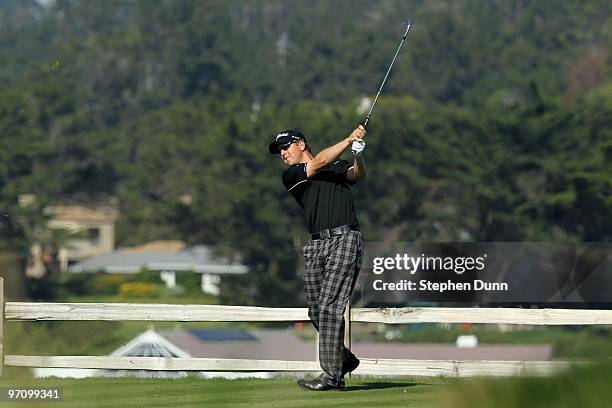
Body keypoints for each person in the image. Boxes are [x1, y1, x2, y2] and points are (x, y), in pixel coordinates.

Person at [269, 125, 367, 391]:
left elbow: (357, 175)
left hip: (345, 239)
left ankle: (331, 377)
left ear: (301, 144)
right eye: (279, 151)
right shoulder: (292, 175)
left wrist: (358, 154)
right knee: (316, 310)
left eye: (285, 147)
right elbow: (321, 161)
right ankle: (344, 360)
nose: (282, 154)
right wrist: (348, 138)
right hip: (316, 245)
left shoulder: (335, 167)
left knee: (330, 307)